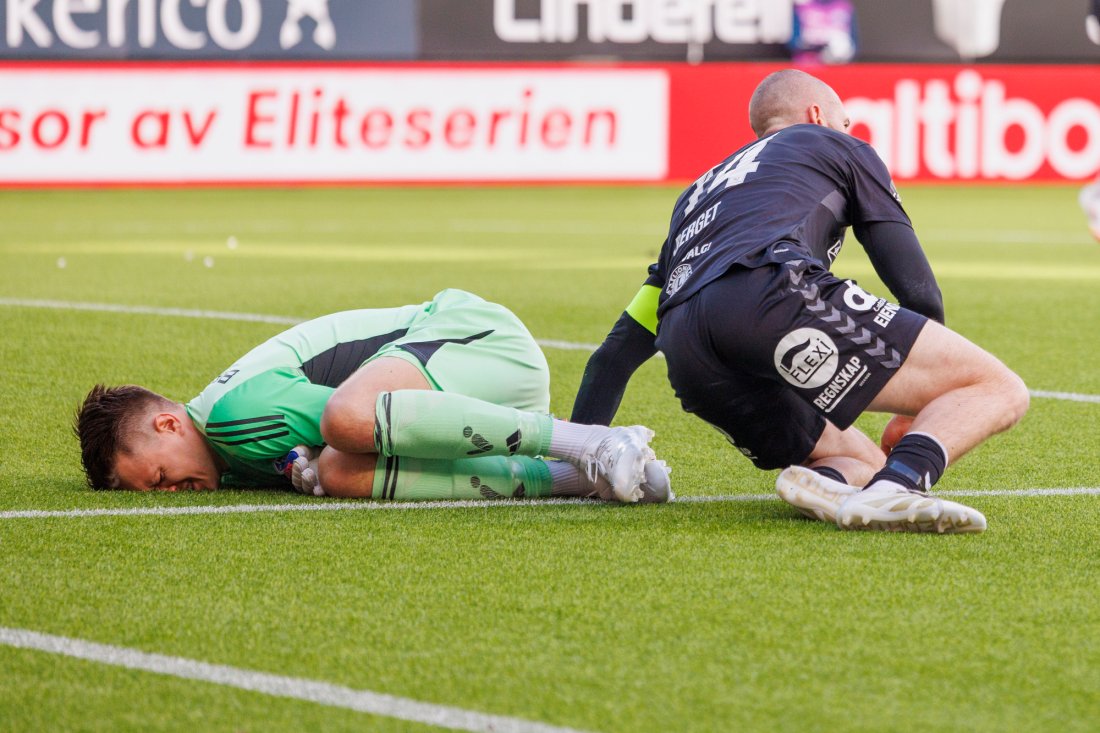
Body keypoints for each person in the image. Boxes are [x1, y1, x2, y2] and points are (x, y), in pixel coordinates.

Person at [571, 69, 1028, 534]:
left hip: (688, 350)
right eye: (845, 122)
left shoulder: (696, 195)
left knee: (862, 459)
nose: (849, 132)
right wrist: (913, 406)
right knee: (998, 388)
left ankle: (823, 481)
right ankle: (902, 487)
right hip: (769, 294)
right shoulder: (835, 145)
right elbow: (917, 289)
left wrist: (578, 457)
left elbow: (614, 356)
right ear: (816, 115)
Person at [75, 289, 671, 504]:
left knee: (343, 423)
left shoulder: (232, 416)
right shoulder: (226, 461)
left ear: (168, 426)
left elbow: (360, 422)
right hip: (467, 393)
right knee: (339, 472)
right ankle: (576, 478)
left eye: (159, 480)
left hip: (475, 339)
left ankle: (590, 442)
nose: (173, 494)